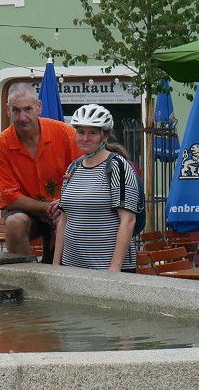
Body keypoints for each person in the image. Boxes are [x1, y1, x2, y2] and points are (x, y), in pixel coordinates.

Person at [0, 83, 83, 258]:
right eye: (16, 110)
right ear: (8, 110)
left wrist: (65, 204)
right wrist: (49, 208)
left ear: (39, 107)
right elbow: (10, 199)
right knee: (14, 223)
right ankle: (25, 272)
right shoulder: (1, 146)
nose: (22, 117)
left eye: (28, 109)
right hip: (30, 212)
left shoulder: (65, 133)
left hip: (67, 208)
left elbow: (85, 177)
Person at [52, 104, 139, 272]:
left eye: (92, 133)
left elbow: (128, 220)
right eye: (81, 132)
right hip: (72, 268)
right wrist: (56, 266)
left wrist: (114, 270)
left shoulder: (117, 167)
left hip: (105, 269)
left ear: (104, 136)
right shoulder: (73, 168)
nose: (85, 138)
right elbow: (63, 220)